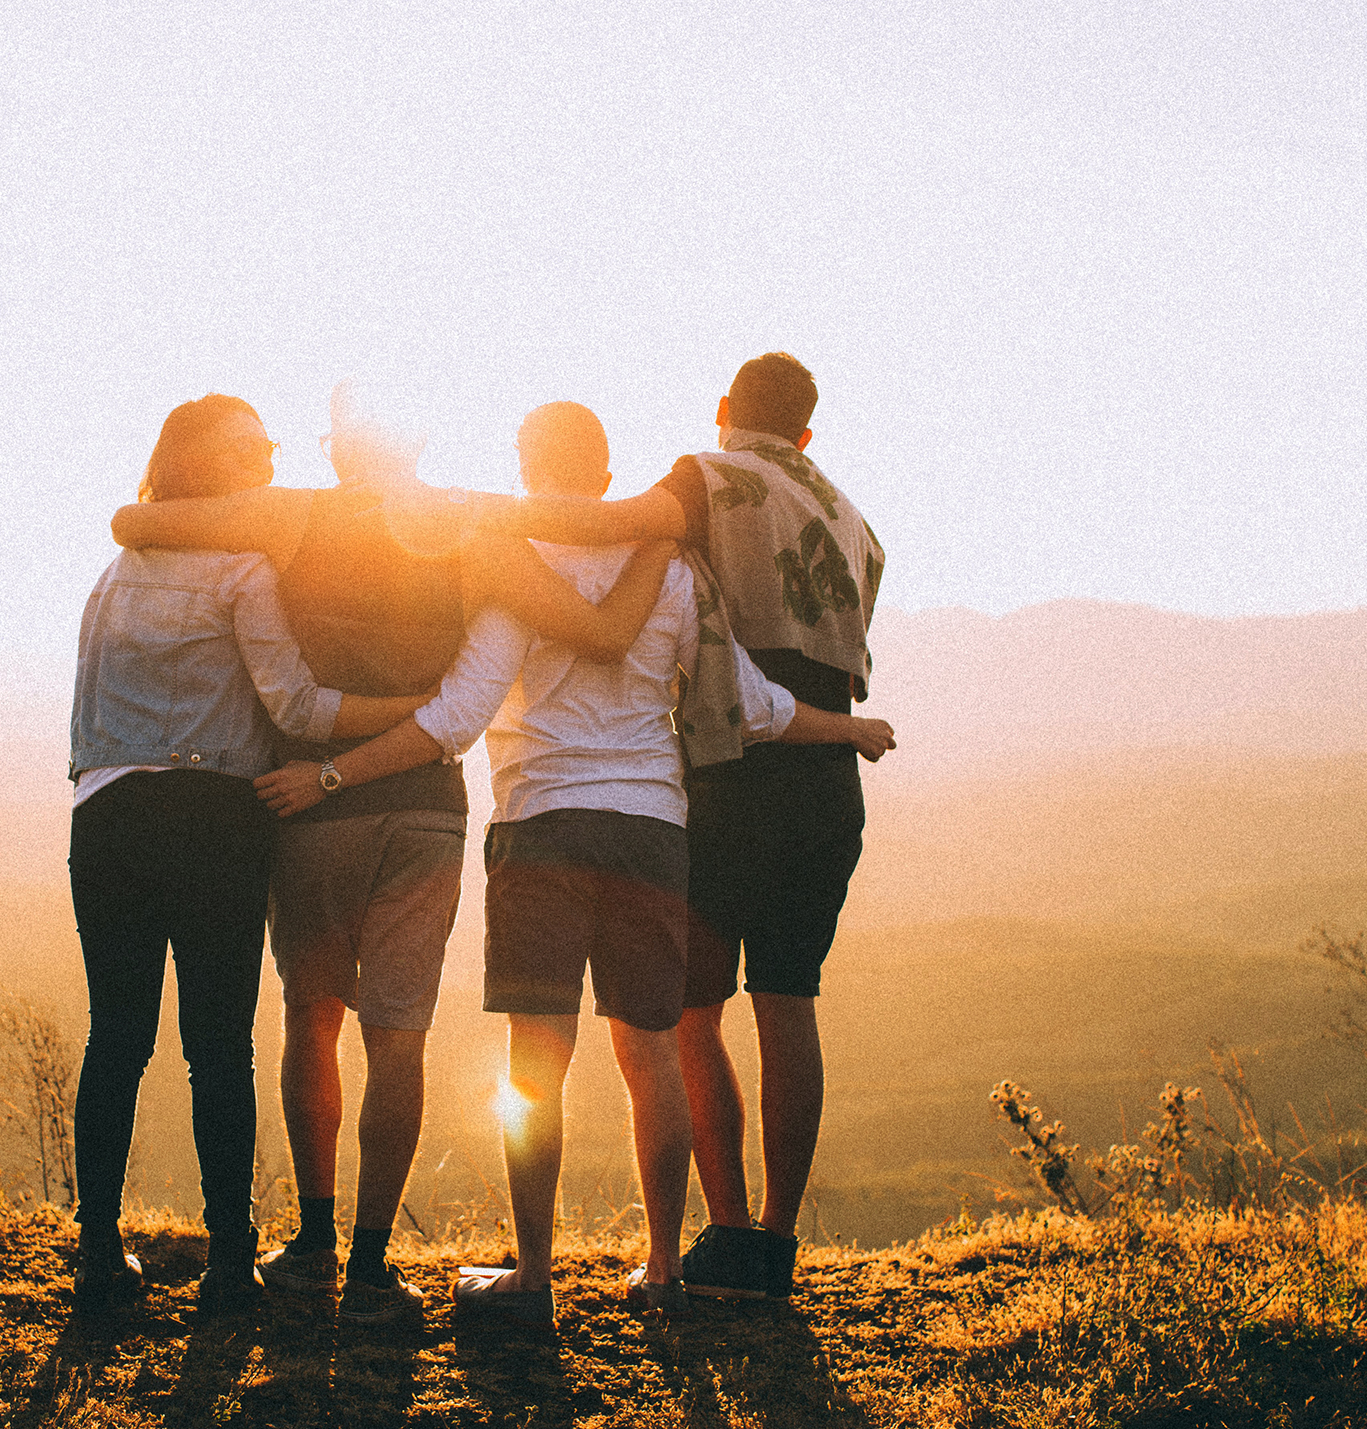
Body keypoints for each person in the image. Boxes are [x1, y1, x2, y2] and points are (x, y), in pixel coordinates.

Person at [255, 401, 892, 1328]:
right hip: (650, 832)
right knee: (650, 1053)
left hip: (540, 826)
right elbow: (750, 703)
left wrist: (332, 772)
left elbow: (457, 717)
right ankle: (665, 1268)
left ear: (524, 466)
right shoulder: (672, 570)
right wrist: (849, 728)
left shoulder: (514, 566)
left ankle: (534, 1277)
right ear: (604, 475)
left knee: (535, 1064)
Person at [110, 381, 671, 1325]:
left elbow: (135, 522)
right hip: (423, 808)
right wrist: (659, 535)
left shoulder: (289, 518)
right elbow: (597, 631)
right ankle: (372, 1264)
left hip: (308, 801)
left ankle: (314, 1240)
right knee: (397, 1033)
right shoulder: (470, 532)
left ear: (338, 450)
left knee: (311, 1015)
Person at [471, 355, 891, 1300]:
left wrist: (473, 514)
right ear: (808, 432)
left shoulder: (708, 477)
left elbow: (613, 527)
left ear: (722, 411)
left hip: (729, 771)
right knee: (790, 1001)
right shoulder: (855, 520)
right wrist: (850, 729)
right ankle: (771, 1245)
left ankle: (722, 1233)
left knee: (686, 1016)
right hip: (824, 777)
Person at [66, 393, 434, 1314]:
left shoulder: (113, 574)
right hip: (214, 820)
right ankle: (230, 1260)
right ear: (209, 467)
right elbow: (299, 710)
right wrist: (416, 713)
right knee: (217, 1047)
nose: (270, 459)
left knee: (116, 1036)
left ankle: (98, 1253)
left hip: (105, 814)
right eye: (253, 448)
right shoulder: (241, 570)